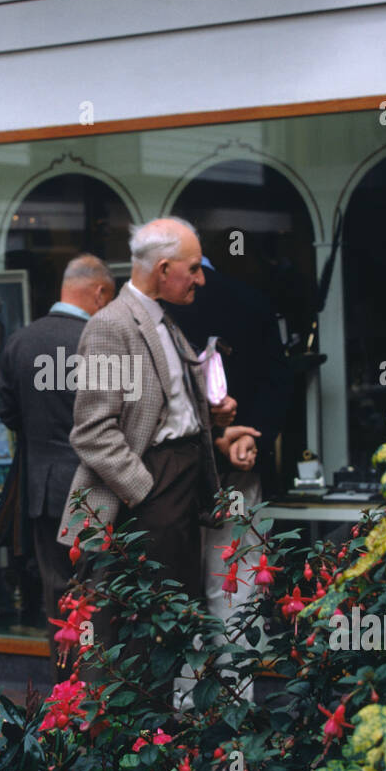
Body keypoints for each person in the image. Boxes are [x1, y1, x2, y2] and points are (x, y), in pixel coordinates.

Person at [59, 218, 256, 638]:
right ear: (164, 270)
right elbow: (92, 431)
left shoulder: (163, 320)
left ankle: (169, 705)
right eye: (194, 269)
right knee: (140, 636)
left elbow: (169, 412)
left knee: (171, 627)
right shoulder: (110, 325)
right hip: (150, 490)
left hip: (181, 485)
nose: (201, 280)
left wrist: (218, 431)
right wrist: (146, 493)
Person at [166, 256, 290, 701]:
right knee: (233, 585)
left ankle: (184, 704)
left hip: (173, 477)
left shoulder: (152, 308)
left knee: (178, 588)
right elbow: (280, 379)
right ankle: (237, 701)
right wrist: (253, 437)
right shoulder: (250, 301)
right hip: (238, 472)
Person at [0, 254, 115, 678]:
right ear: (99, 293)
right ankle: (97, 694)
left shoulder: (20, 341)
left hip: (44, 488)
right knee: (99, 592)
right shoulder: (101, 341)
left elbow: (7, 413)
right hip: (99, 486)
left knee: (58, 592)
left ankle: (64, 689)